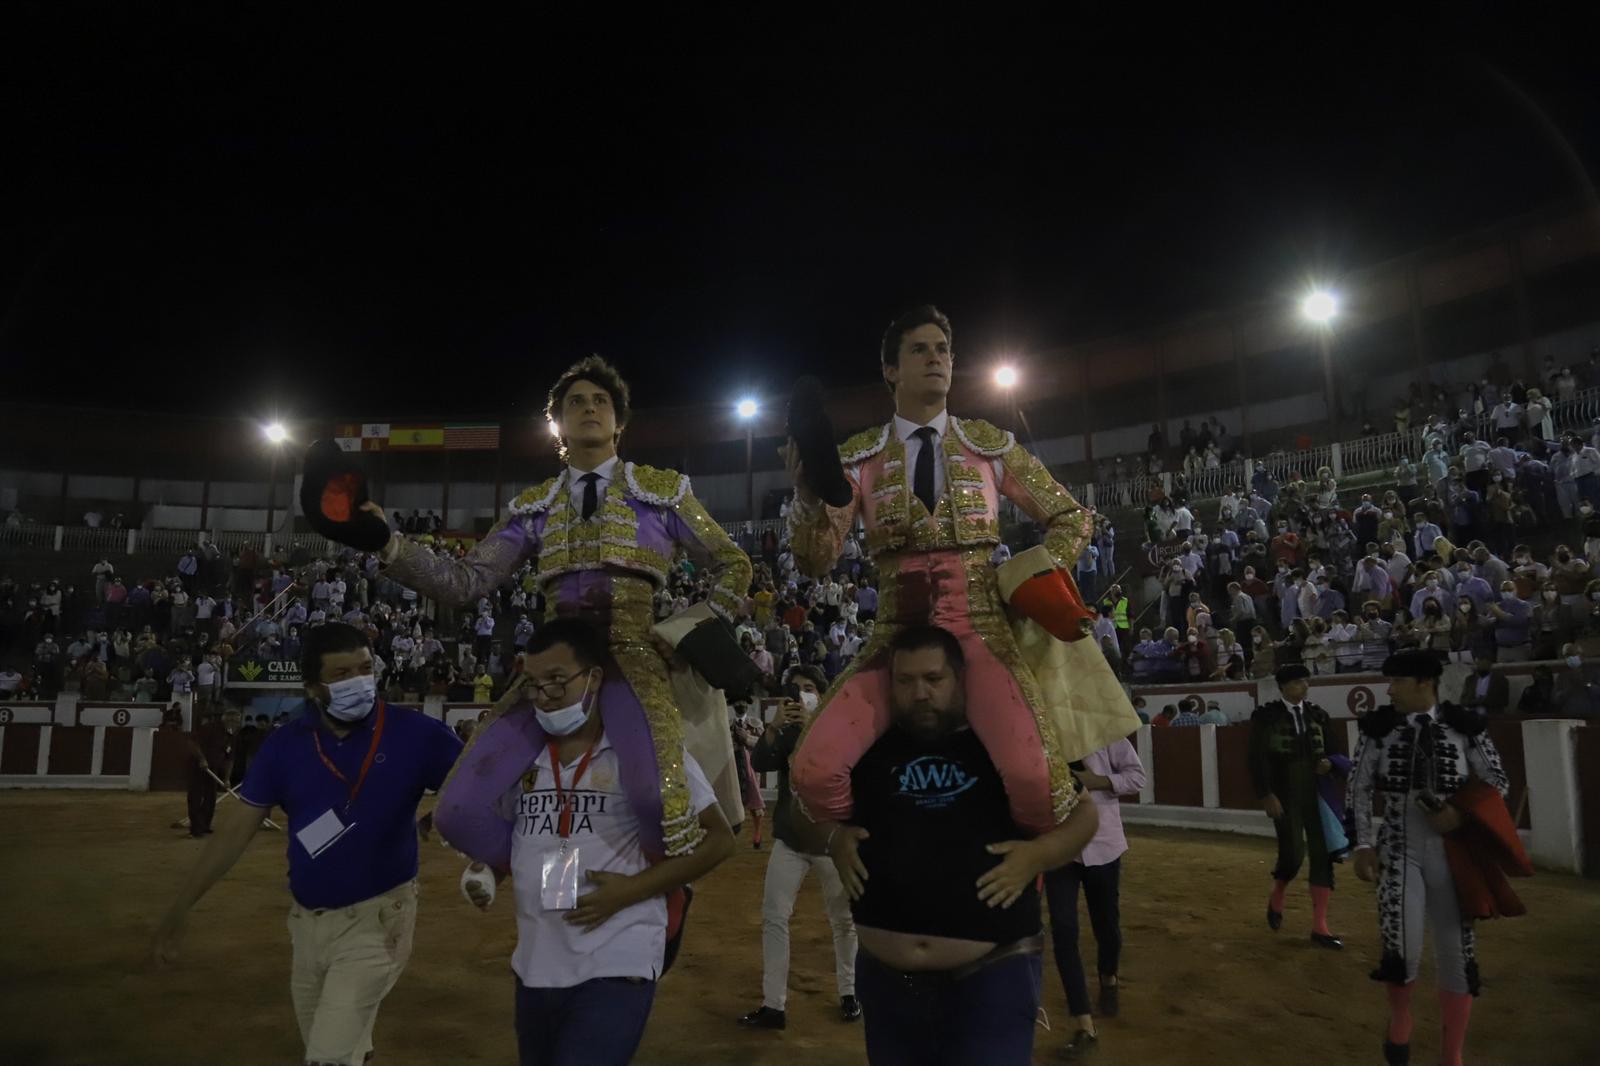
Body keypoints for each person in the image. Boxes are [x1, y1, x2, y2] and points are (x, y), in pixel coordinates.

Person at [372, 355, 753, 852]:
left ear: (619, 422)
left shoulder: (661, 491)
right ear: (558, 424)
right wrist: (389, 546)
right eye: (576, 402)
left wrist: (687, 631)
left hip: (635, 662)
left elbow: (733, 563)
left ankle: (652, 913)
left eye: (601, 401)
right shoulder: (535, 506)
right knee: (457, 811)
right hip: (551, 668)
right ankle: (524, 872)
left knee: (658, 803)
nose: (589, 408)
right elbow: (466, 581)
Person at [786, 305, 1132, 838]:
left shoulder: (989, 446)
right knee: (813, 771)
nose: (936, 358)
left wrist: (1032, 577)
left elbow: (1071, 517)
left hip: (980, 631)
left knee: (1034, 779)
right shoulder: (859, 457)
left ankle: (1017, 877)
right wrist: (807, 497)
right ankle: (873, 856)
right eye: (919, 350)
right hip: (895, 636)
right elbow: (816, 559)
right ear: (891, 370)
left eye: (943, 350)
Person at [151, 622, 464, 1066]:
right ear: (314, 687)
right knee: (338, 1043)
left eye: (364, 668)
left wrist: (441, 818)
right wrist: (182, 905)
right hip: (305, 923)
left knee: (326, 1057)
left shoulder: (418, 734)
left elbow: (476, 791)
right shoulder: (285, 745)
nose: (359, 680)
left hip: (380, 918)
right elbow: (237, 829)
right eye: (341, 674)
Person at [798, 625, 1098, 1065]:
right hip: (886, 982)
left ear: (959, 678)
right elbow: (798, 813)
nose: (920, 693)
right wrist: (832, 837)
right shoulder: (864, 748)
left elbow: (1084, 813)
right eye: (905, 681)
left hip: (993, 975)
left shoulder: (1004, 743)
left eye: (933, 679)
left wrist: (1037, 856)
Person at [456, 619, 734, 1066]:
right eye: (534, 683)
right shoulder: (522, 759)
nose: (545, 695)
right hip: (534, 962)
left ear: (595, 678)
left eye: (558, 681)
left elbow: (719, 840)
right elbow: (512, 835)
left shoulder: (647, 756)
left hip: (617, 959)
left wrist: (633, 890)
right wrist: (486, 870)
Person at [1348, 650, 1516, 1066]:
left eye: (1397, 682)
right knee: (1400, 944)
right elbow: (1360, 787)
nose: (1389, 690)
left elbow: (1498, 780)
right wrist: (1363, 843)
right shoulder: (1379, 729)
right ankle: (1401, 1018)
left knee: (1457, 951)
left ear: (1424, 682)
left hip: (1453, 852)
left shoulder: (1464, 727)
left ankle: (1452, 1054)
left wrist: (1459, 812)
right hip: (1398, 848)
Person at [739, 665, 861, 1031]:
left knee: (844, 921)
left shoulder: (837, 728)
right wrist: (774, 727)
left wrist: (812, 724)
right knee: (775, 917)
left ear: (823, 695)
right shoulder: (788, 729)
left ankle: (849, 992)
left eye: (810, 688)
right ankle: (774, 1004)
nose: (802, 694)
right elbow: (760, 764)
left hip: (830, 841)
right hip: (792, 838)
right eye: (796, 689)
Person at [1046, 736, 1144, 1060]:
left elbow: (1137, 777)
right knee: (1063, 930)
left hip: (1103, 844)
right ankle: (1083, 1022)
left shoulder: (1106, 734)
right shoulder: (1045, 736)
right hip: (1060, 847)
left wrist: (1097, 781)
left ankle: (1108, 976)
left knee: (1107, 926)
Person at [1250, 664, 1346, 949]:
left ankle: (1320, 926)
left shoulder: (1317, 714)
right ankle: (1278, 890)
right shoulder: (1266, 717)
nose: (1304, 686)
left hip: (1317, 791)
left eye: (1305, 681)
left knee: (1322, 853)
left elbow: (1335, 749)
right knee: (1293, 851)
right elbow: (1256, 758)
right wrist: (1266, 794)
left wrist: (1331, 762)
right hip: (1284, 790)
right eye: (1297, 682)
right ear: (1283, 687)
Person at [183, 708, 240, 838]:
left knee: (210, 798)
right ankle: (196, 829)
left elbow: (229, 759)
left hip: (213, 769)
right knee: (196, 798)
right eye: (233, 721)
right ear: (226, 720)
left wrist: (227, 779)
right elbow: (192, 743)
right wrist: (201, 758)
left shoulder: (232, 736)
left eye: (237, 722)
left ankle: (204, 826)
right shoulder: (209, 728)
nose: (235, 724)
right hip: (197, 767)